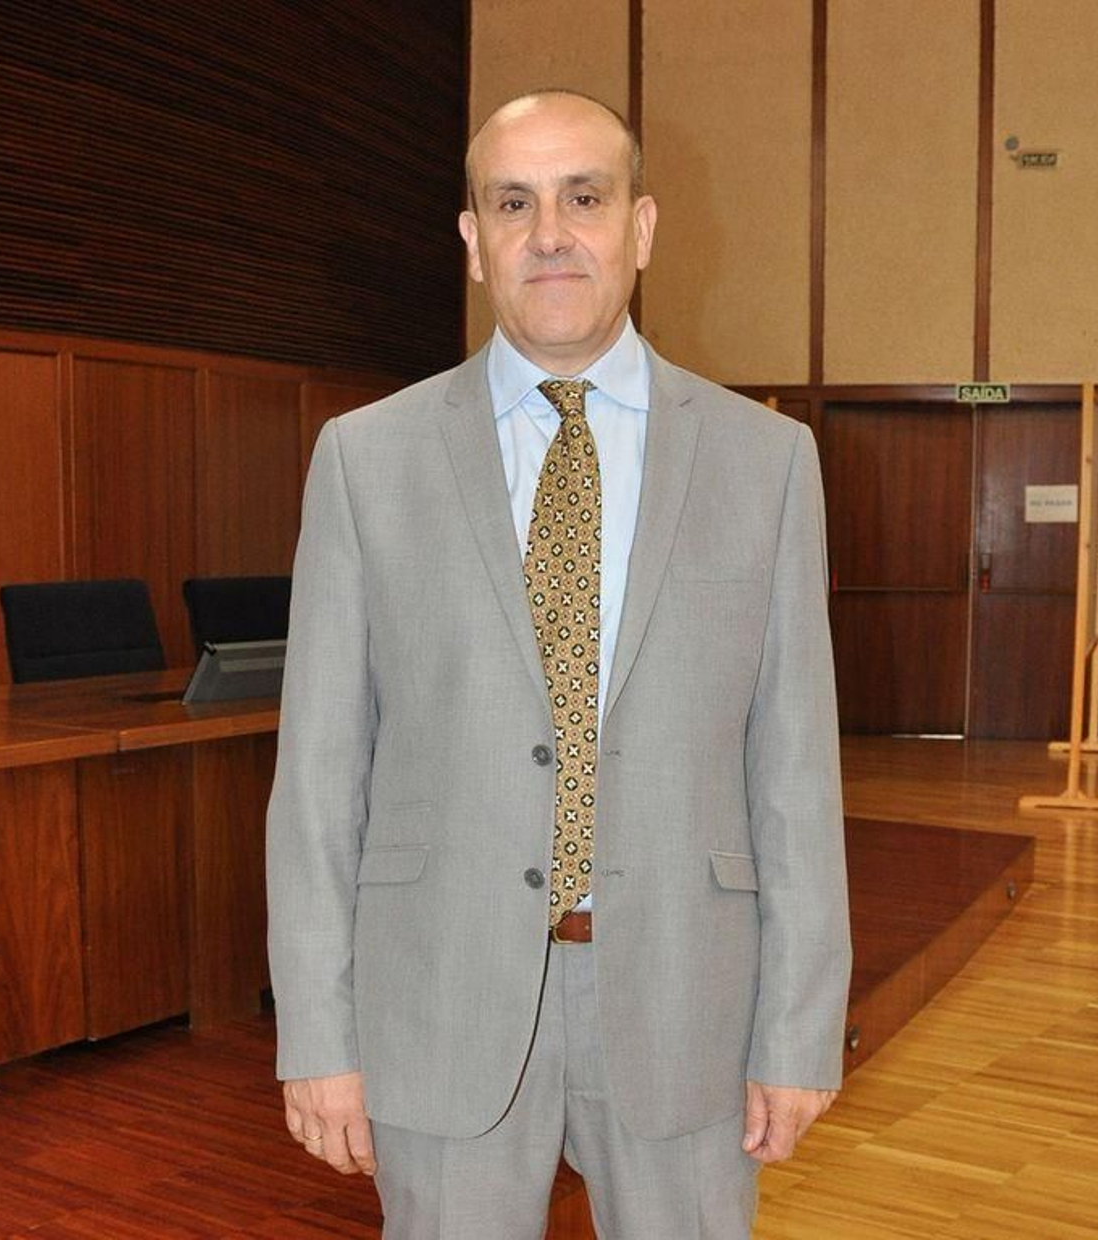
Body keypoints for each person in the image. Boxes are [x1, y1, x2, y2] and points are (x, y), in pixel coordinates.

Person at [266, 88, 851, 1239]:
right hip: (439, 996)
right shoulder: (364, 460)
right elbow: (321, 776)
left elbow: (795, 771)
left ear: (638, 227)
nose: (550, 233)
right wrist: (318, 1034)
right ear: (473, 243)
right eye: (513, 203)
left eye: (584, 197)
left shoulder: (767, 463)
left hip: (688, 996)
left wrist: (798, 1028)